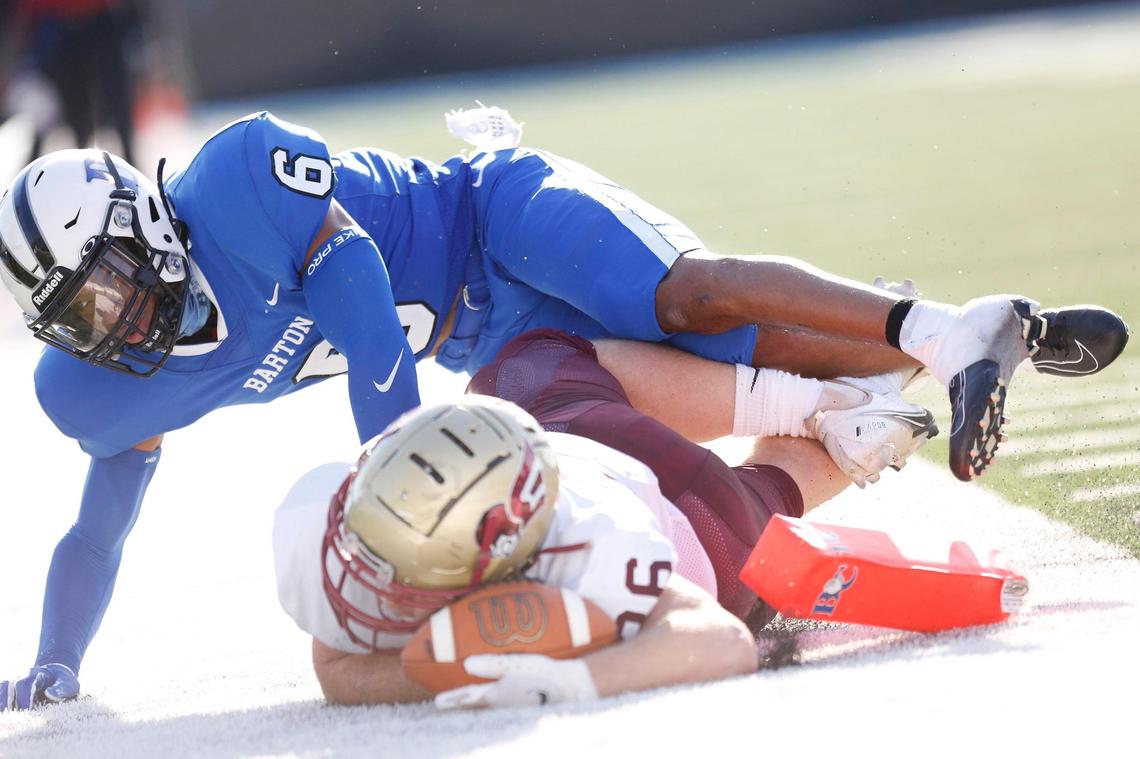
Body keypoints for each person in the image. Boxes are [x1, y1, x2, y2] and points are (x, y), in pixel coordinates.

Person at [0, 107, 1127, 710]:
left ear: (142, 225)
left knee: (691, 296)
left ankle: (934, 333)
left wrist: (393, 468)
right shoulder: (104, 382)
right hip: (488, 339)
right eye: (77, 317)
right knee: (696, 385)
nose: (113, 324)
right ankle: (973, 335)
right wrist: (58, 654)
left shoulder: (238, 180)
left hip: (496, 218)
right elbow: (100, 519)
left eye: (107, 284)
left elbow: (357, 300)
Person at [276, 361, 858, 708]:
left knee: (756, 510)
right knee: (523, 367)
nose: (372, 579)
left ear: (507, 554)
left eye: (405, 567)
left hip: (676, 505)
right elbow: (337, 667)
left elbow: (721, 642)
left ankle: (849, 398)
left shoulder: (593, 542)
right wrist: (450, 671)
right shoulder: (327, 521)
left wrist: (564, 681)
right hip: (548, 439)